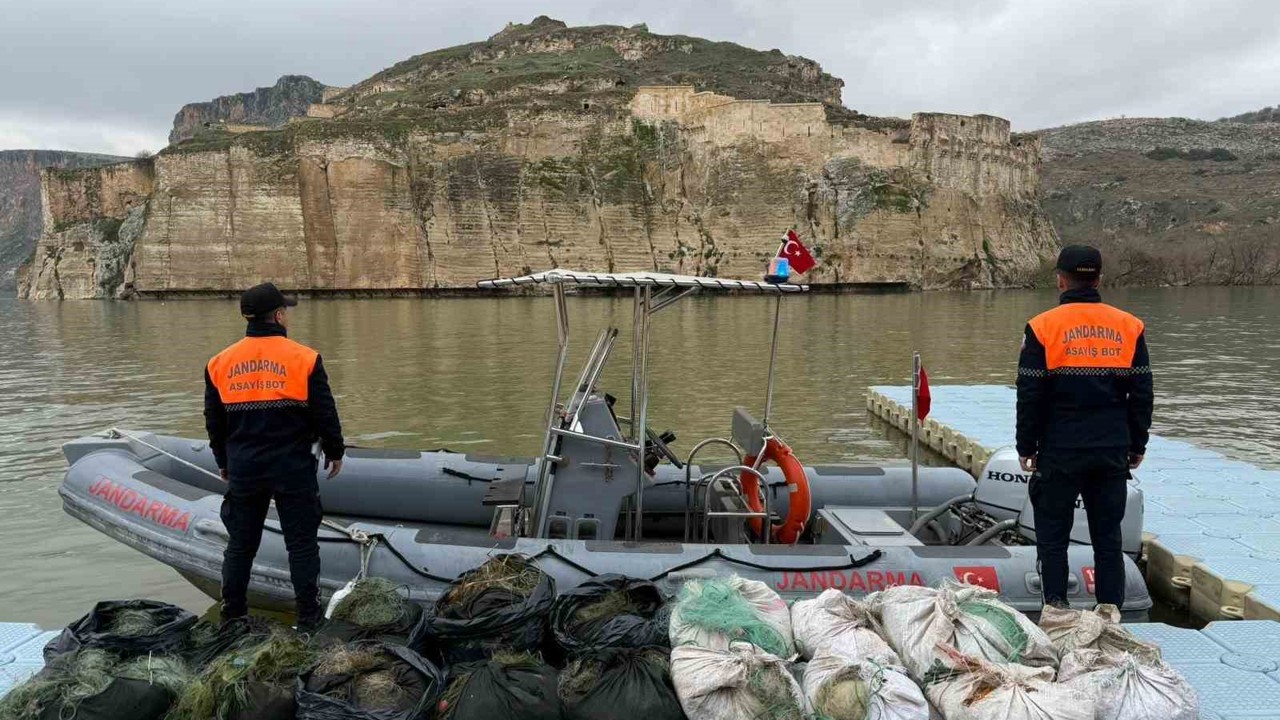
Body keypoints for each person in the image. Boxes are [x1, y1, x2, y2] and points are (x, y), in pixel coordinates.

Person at [1016, 245, 1153, 609]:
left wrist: (1025, 446)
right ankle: (1109, 615)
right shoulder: (1129, 326)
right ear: (1099, 279)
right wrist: (1137, 443)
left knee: (1053, 538)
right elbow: (1141, 393)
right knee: (1108, 539)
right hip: (1110, 449)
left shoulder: (1042, 327)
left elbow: (1030, 394)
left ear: (1060, 279)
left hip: (1059, 449)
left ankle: (1057, 611)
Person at [204, 282, 344, 631]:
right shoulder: (305, 358)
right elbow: (324, 412)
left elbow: (214, 421)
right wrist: (335, 449)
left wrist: (223, 460)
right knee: (301, 544)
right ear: (279, 315)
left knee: (240, 545)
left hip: (245, 466)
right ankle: (308, 621)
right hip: (292, 465)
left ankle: (232, 616)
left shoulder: (219, 363)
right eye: (286, 311)